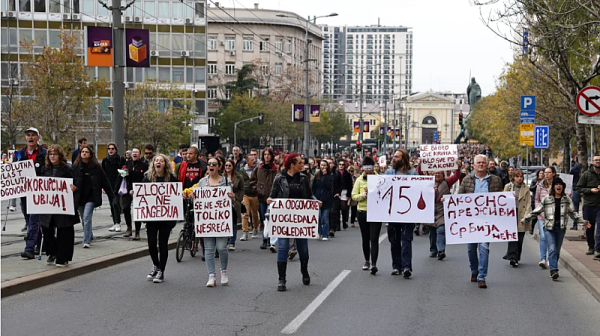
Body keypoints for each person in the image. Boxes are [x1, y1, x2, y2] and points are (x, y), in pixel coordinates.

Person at [268, 153, 320, 291]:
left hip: (300, 219)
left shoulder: (303, 178)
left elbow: (309, 196)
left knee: (302, 247)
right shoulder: (280, 178)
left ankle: (304, 270)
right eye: (300, 163)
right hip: (284, 219)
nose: (302, 165)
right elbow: (273, 195)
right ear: (292, 165)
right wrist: (270, 201)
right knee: (283, 246)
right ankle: (282, 279)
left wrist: (315, 202)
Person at [522, 178, 589, 280]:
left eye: (560, 184)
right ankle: (554, 270)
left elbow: (573, 213)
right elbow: (536, 211)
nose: (558, 186)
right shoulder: (547, 199)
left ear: (563, 187)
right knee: (552, 248)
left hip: (560, 227)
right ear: (553, 187)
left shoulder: (567, 199)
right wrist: (525, 219)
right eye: (556, 184)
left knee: (556, 250)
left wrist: (583, 222)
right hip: (549, 227)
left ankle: (553, 265)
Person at [184, 157, 235, 287]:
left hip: (221, 221)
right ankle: (211, 275)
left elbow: (231, 200)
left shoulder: (226, 182)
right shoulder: (202, 182)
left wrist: (232, 198)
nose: (211, 166)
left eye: (214, 164)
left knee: (222, 247)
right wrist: (193, 196)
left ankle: (223, 272)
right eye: (209, 164)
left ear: (219, 167)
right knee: (209, 248)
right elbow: (196, 194)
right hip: (207, 221)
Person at [458, 154, 503, 288]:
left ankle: (482, 276)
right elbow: (459, 198)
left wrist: (511, 198)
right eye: (479, 163)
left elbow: (501, 198)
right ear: (474, 165)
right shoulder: (466, 180)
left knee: (484, 248)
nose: (481, 165)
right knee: (471, 248)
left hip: (487, 221)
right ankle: (474, 270)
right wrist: (448, 201)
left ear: (487, 164)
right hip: (470, 220)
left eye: (483, 162)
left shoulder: (496, 180)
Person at [39, 145, 80, 267]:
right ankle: (52, 252)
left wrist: (74, 188)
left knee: (64, 231)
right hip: (48, 206)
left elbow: (76, 183)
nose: (52, 156)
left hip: (63, 206)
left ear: (60, 156)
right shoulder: (44, 169)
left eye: (55, 154)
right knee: (47, 230)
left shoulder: (68, 169)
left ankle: (63, 257)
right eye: (50, 154)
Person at [143, 154, 178, 283]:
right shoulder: (147, 179)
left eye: (161, 161)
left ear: (165, 164)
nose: (158, 162)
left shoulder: (172, 179)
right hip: (151, 218)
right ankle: (156, 265)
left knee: (163, 244)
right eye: (156, 160)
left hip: (166, 219)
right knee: (151, 244)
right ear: (153, 164)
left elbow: (176, 197)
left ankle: (161, 271)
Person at [384, 149, 418, 278]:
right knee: (394, 239)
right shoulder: (389, 172)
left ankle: (406, 267)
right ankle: (396, 266)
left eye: (396, 157)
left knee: (406, 239)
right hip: (393, 212)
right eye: (393, 156)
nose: (393, 158)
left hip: (408, 213)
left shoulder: (413, 174)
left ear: (403, 159)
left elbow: (420, 190)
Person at [72, 146, 114, 248]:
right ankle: (90, 235)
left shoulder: (96, 167)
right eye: (82, 152)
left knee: (87, 217)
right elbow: (71, 179)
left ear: (90, 154)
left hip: (91, 197)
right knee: (83, 218)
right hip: (80, 197)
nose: (84, 153)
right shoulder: (76, 166)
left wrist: (112, 196)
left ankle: (86, 240)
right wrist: (72, 187)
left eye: (86, 152)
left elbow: (105, 181)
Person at [19, 127, 47, 259]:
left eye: (33, 135)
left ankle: (30, 248)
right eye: (28, 135)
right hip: (25, 192)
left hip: (39, 192)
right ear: (26, 138)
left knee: (34, 219)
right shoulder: (19, 154)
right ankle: (42, 243)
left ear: (37, 138)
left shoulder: (44, 153)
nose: (30, 137)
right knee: (28, 218)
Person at [352, 157, 382, 274]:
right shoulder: (359, 180)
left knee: (374, 238)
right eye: (367, 173)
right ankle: (367, 260)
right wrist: (363, 195)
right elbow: (354, 196)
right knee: (365, 238)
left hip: (376, 212)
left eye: (371, 173)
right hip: (363, 212)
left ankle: (374, 263)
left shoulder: (380, 179)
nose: (369, 175)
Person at [114, 147, 149, 239]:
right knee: (125, 208)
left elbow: (146, 179)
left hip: (138, 190)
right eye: (133, 152)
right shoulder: (127, 163)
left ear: (140, 155)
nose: (134, 154)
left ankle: (137, 232)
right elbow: (122, 177)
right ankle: (129, 228)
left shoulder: (144, 165)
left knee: (138, 211)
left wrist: (138, 189)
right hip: (127, 189)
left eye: (137, 152)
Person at [428, 164, 461, 260]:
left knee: (441, 230)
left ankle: (441, 250)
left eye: (439, 173)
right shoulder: (428, 183)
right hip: (431, 210)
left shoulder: (447, 182)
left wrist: (458, 167)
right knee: (432, 232)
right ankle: (433, 250)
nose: (437, 175)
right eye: (435, 173)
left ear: (443, 175)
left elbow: (456, 176)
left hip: (442, 210)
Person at [250, 148, 278, 250]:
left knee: (269, 218)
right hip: (262, 197)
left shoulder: (275, 169)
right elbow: (252, 181)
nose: (267, 156)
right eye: (265, 154)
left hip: (272, 198)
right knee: (263, 218)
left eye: (268, 154)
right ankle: (265, 238)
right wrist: (256, 189)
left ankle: (269, 239)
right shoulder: (259, 168)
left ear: (271, 156)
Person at [503, 169, 532, 266]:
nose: (519, 178)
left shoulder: (526, 188)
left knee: (520, 237)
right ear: (514, 177)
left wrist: (526, 216)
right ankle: (512, 257)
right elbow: (502, 199)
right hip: (511, 213)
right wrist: (510, 197)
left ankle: (516, 256)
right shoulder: (508, 186)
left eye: (521, 177)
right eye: (517, 176)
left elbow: (528, 202)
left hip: (522, 213)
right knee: (512, 236)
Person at [576, 155, 600, 257]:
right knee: (589, 227)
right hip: (589, 205)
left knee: (599, 228)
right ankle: (591, 246)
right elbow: (579, 188)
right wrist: (590, 190)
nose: (598, 162)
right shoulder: (586, 174)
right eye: (596, 160)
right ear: (592, 162)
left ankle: (598, 249)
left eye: (599, 160)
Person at [101, 142, 126, 232]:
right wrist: (102, 186)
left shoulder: (120, 159)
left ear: (115, 150)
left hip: (118, 185)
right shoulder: (105, 160)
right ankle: (115, 223)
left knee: (116, 203)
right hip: (109, 185)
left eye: (112, 149)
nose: (110, 150)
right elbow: (103, 174)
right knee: (111, 204)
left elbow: (124, 170)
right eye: (109, 149)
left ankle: (118, 223)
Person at [535, 166, 556, 268]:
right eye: (545, 173)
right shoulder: (540, 185)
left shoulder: (557, 185)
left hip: (554, 216)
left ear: (553, 174)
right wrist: (539, 210)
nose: (546, 174)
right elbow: (537, 199)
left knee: (551, 239)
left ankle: (550, 259)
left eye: (548, 172)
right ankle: (543, 259)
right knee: (543, 237)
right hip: (542, 216)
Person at [239, 153, 260, 241]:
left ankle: (255, 228)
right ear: (247, 161)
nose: (254, 161)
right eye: (252, 160)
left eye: (255, 159)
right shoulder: (242, 170)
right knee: (245, 213)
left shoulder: (258, 169)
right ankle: (245, 232)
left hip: (255, 194)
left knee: (254, 214)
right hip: (245, 194)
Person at [223, 159, 243, 251]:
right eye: (226, 165)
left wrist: (237, 198)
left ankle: (232, 242)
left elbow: (242, 190)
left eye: (229, 166)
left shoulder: (239, 177)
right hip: (223, 203)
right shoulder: (221, 177)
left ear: (233, 167)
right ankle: (226, 239)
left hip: (234, 203)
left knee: (234, 223)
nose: (227, 167)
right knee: (225, 222)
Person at [312, 160, 333, 240]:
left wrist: (325, 176)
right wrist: (314, 198)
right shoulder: (316, 175)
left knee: (325, 218)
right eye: (322, 165)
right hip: (318, 199)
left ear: (327, 166)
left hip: (326, 200)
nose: (323, 167)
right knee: (319, 217)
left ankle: (325, 235)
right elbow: (314, 187)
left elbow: (329, 186)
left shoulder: (330, 176)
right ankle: (319, 232)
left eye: (325, 165)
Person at [333, 159, 353, 230]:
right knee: (337, 209)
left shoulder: (347, 174)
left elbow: (350, 185)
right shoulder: (335, 173)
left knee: (344, 207)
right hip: (338, 192)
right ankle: (337, 225)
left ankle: (345, 221)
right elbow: (334, 184)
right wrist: (335, 192)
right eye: (340, 164)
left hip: (345, 191)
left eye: (343, 165)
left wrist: (349, 195)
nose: (341, 166)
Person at [529, 169, 545, 234]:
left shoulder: (545, 181)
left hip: (543, 201)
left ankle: (541, 229)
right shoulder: (534, 180)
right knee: (535, 216)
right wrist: (536, 185)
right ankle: (531, 227)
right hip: (535, 200)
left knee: (542, 216)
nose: (541, 175)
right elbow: (531, 189)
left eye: (542, 173)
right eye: (540, 173)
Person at [570, 157, 581, 230]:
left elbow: (570, 179)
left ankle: (575, 224)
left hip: (576, 188)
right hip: (585, 189)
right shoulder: (587, 168)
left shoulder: (574, 169)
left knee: (575, 208)